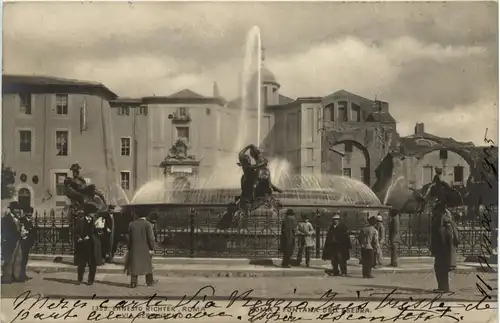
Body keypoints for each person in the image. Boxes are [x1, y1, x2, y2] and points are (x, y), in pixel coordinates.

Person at [430, 202, 459, 292]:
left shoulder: (440, 221)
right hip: (448, 249)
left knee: (439, 268)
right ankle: (444, 287)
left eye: (434, 210)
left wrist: (434, 248)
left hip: (442, 250)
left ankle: (443, 288)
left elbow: (438, 236)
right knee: (443, 268)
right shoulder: (450, 221)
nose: (433, 212)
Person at [74, 205, 103, 285]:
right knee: (81, 264)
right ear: (89, 213)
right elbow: (76, 232)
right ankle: (79, 279)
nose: (94, 214)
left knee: (93, 264)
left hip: (92, 246)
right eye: (93, 213)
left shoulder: (96, 221)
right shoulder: (80, 221)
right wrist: (79, 238)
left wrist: (99, 230)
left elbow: (99, 234)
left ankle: (91, 280)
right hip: (83, 246)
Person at [127, 213, 156, 288]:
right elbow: (151, 238)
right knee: (148, 265)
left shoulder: (131, 224)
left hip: (134, 248)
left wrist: (129, 247)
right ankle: (149, 281)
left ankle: (133, 282)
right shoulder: (147, 224)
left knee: (134, 265)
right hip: (145, 248)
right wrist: (152, 248)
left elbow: (129, 238)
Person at [1, 202, 25, 283]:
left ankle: (16, 276)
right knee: (9, 260)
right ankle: (7, 278)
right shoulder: (6, 219)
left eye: (18, 209)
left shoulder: (17, 219)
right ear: (11, 209)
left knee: (18, 259)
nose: (18, 210)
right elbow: (6, 232)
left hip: (18, 241)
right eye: (16, 209)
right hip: (10, 242)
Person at [358, 214, 379, 278]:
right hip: (370, 247)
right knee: (370, 261)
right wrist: (376, 247)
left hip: (363, 246)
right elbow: (375, 240)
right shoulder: (374, 230)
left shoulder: (363, 229)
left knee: (364, 261)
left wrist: (362, 244)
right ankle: (368, 273)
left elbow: (359, 238)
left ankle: (364, 274)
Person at [19, 206, 36, 281]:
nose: (30, 214)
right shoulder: (22, 221)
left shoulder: (30, 221)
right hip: (23, 244)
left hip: (28, 244)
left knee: (25, 260)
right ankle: (21, 275)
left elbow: (33, 234)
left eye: (31, 213)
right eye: (28, 212)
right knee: (22, 260)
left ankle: (23, 274)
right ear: (25, 213)